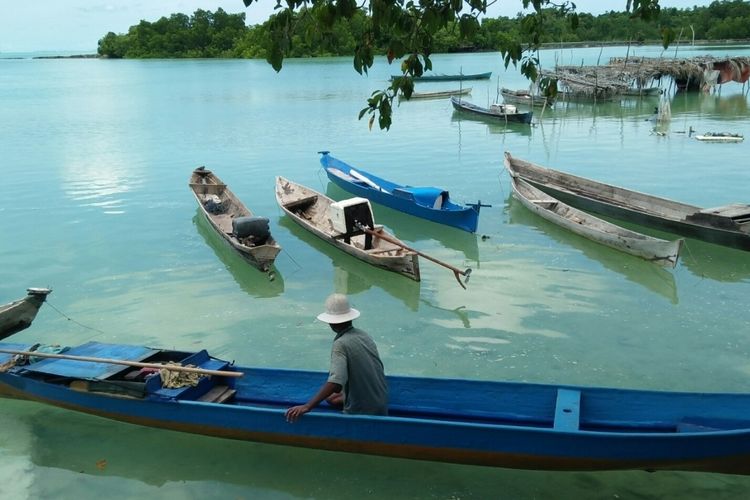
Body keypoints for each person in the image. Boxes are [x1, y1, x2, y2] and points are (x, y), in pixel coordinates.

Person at [285, 293, 388, 422]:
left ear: (331, 323)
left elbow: (335, 383)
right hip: (381, 401)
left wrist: (307, 406)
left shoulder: (340, 344)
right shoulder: (364, 335)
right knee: (331, 398)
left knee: (333, 393)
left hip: (363, 411)